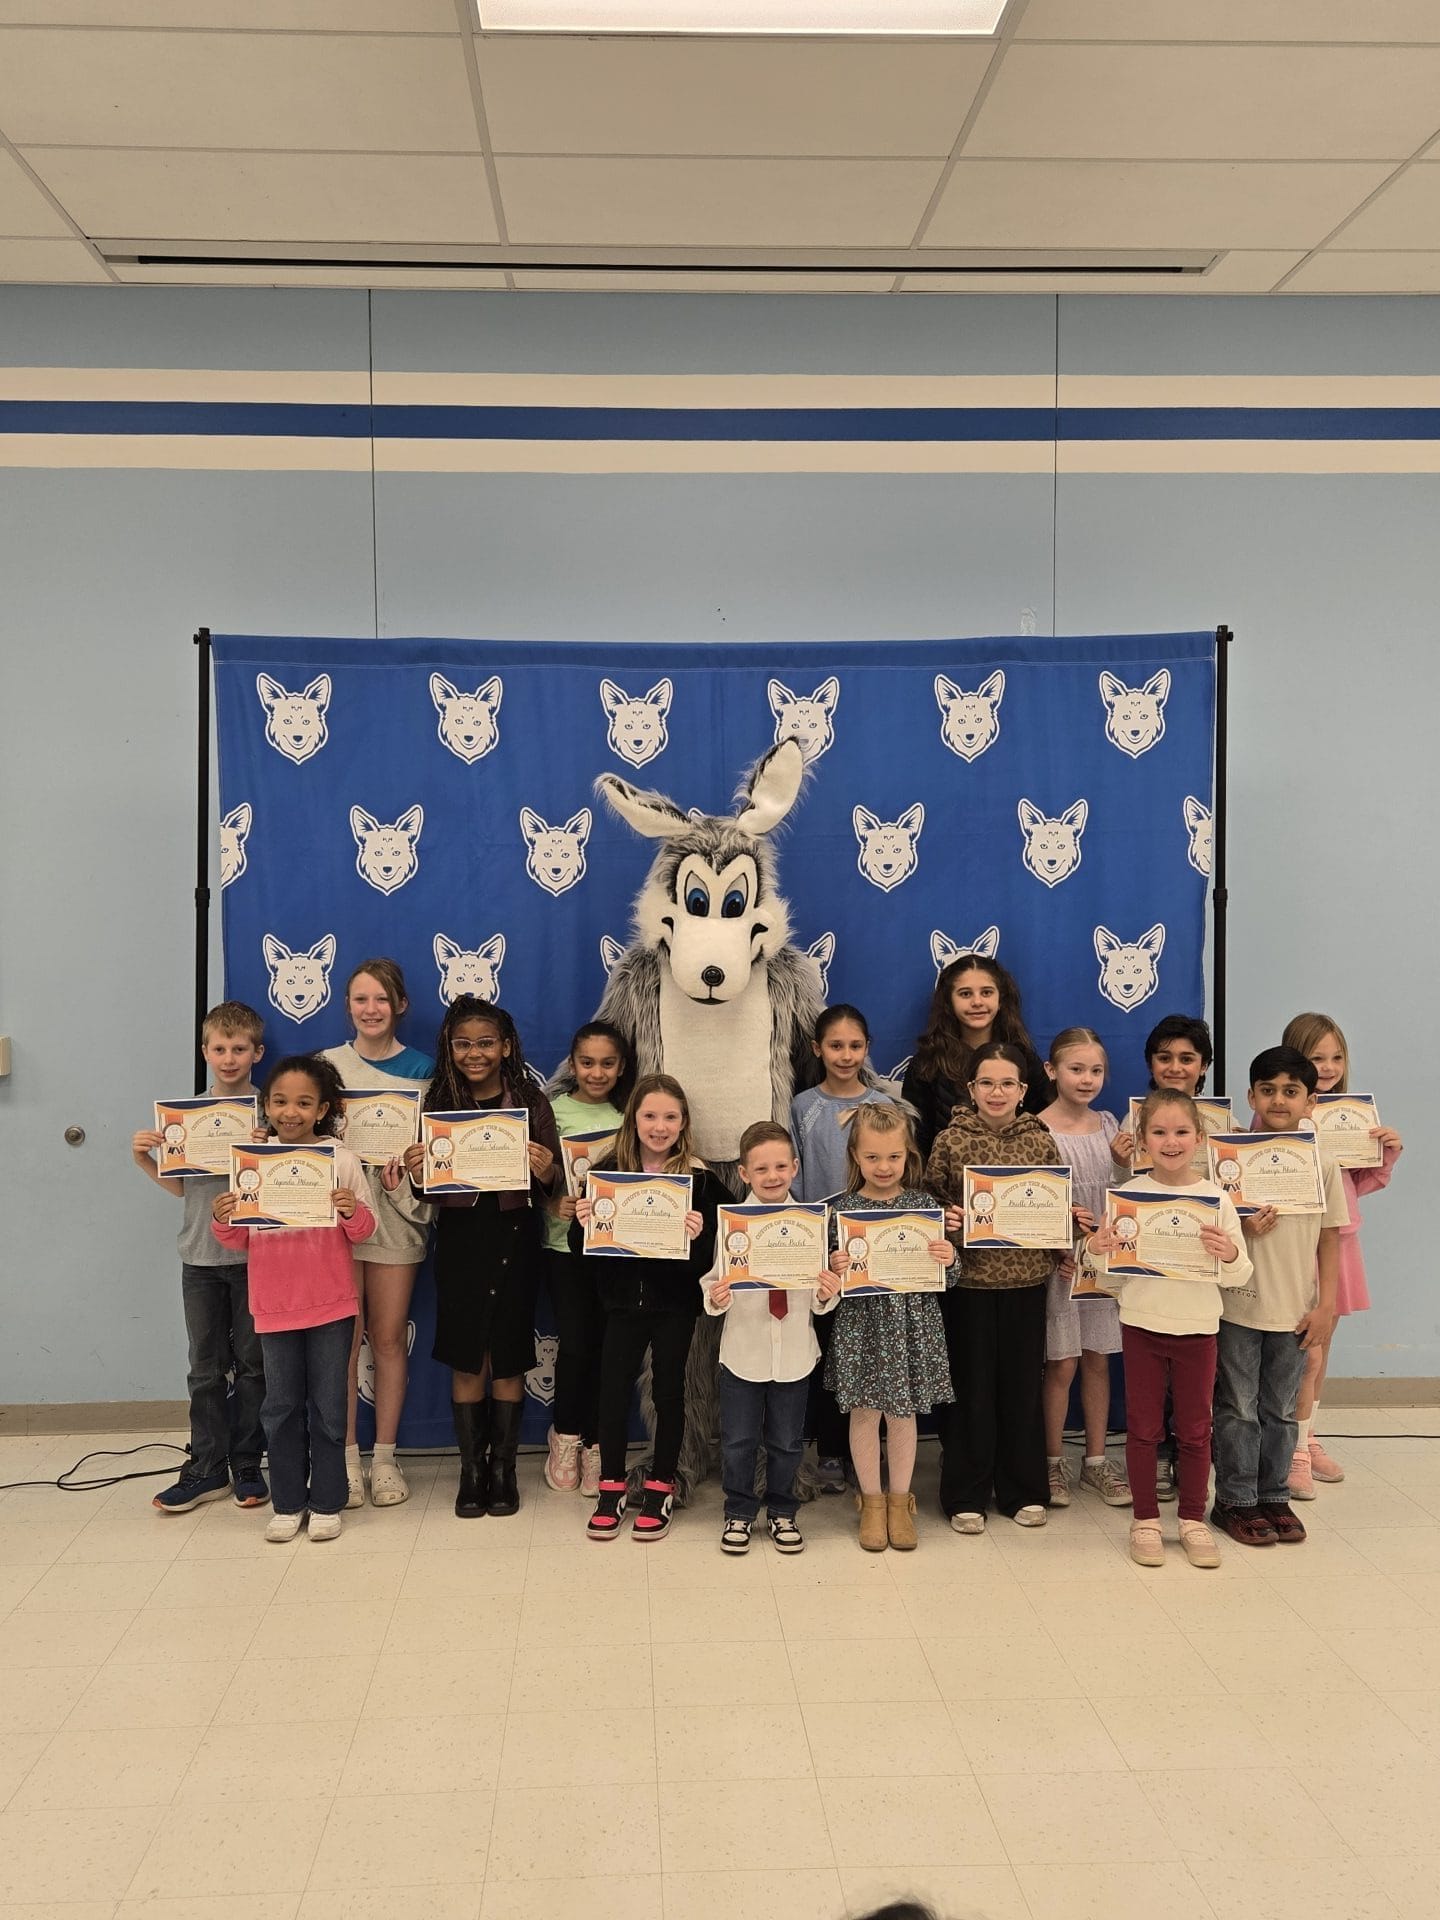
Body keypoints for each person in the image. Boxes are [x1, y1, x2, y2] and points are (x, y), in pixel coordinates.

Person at [396, 997, 558, 1519]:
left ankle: (503, 1471)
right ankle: (472, 1471)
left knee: (507, 1354)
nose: (475, 1053)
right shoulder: (438, 1101)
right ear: (450, 1046)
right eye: (463, 1043)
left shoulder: (531, 1101)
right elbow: (426, 1193)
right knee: (469, 1355)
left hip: (515, 1238)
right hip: (462, 1242)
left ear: (506, 1046)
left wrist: (546, 1167)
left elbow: (552, 1188)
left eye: (486, 1043)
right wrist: (418, 1169)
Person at [211, 1054, 375, 1543]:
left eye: (304, 1103)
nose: (291, 1112)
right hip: (273, 1306)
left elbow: (365, 1231)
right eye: (280, 1101)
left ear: (323, 1109)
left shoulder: (340, 1159)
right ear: (265, 1105)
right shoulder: (251, 1163)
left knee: (328, 1406)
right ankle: (287, 1501)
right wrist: (224, 1217)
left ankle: (327, 1500)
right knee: (278, 1407)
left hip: (331, 1305)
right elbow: (236, 1240)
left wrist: (350, 1212)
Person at [1089, 1090, 1252, 1569]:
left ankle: (1192, 1519)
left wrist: (1228, 1255)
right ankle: (1145, 1520)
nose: (1171, 1141)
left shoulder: (1217, 1199)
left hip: (1199, 1329)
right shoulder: (1128, 1196)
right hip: (1141, 1324)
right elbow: (1109, 1275)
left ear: (1200, 1138)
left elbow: (1241, 1274)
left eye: (1181, 1131)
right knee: (1143, 1429)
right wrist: (1099, 1248)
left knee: (1196, 1431)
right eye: (1158, 1132)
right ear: (1142, 1141)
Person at [571, 1074, 724, 1542]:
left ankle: (662, 1485)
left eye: (670, 1117)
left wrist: (701, 1236)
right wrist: (581, 1225)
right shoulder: (608, 1172)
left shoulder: (700, 1179)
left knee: (670, 1394)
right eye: (650, 1116)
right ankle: (611, 1487)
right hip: (620, 1304)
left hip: (675, 1305)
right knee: (612, 1392)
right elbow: (586, 1252)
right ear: (633, 1118)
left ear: (684, 1123)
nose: (659, 1127)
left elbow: (724, 1254)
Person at [131, 1000, 269, 1514]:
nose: (228, 1058)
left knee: (254, 1367)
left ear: (257, 1052)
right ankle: (207, 1466)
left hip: (257, 1259)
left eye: (239, 1049)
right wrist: (145, 1159)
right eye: (219, 1049)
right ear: (205, 1051)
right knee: (205, 1368)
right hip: (200, 1257)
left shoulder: (271, 1113)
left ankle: (249, 1463)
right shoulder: (184, 1121)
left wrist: (266, 1147)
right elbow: (180, 1192)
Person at [1210, 1046, 1347, 1549]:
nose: (1279, 1100)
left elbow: (1331, 1237)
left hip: (1295, 1311)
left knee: (1281, 1410)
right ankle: (1235, 1499)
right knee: (1237, 1407)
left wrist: (1326, 1305)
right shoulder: (1227, 1161)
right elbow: (1212, 1230)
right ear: (1251, 1096)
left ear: (1311, 1100)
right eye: (1267, 1090)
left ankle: (1273, 1494)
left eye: (1291, 1091)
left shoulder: (1323, 1162)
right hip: (1237, 1306)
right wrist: (1241, 1226)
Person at [925, 1042, 1060, 1534]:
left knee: (1022, 1390)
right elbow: (929, 1204)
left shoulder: (1041, 1141)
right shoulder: (950, 1141)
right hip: (969, 1286)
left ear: (1023, 1090)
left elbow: (1050, 1201)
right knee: (971, 1391)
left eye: (1007, 1083)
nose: (997, 1092)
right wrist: (945, 1217)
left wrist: (1067, 1224)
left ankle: (1023, 1488)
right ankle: (966, 1492)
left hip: (1027, 1283)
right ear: (971, 1089)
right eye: (987, 1083)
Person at [320, 958, 434, 1510]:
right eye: (361, 999)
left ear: (401, 1006)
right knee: (343, 1345)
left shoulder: (423, 1072)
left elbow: (433, 1156)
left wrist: (411, 1167)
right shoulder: (325, 1067)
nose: (371, 1009)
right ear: (348, 1005)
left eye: (382, 1000)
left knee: (387, 1338)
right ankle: (343, 1460)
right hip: (337, 1218)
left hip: (395, 1212)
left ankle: (384, 1459)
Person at [703, 1120, 841, 1555]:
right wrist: (717, 1294)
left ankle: (783, 1510)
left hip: (796, 1354)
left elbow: (819, 1298)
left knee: (786, 1442)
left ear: (796, 1167)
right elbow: (712, 1280)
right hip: (743, 1352)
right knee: (739, 1441)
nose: (772, 1176)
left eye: (781, 1166)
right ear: (744, 1173)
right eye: (761, 1169)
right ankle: (739, 1512)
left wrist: (826, 1294)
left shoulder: (811, 1224)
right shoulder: (733, 1226)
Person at [1282, 1011, 1403, 1495]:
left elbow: (1354, 1186)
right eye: (1316, 1057)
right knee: (1301, 1353)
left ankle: (1308, 1438)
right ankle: (1291, 1451)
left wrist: (1384, 1152)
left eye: (1336, 1057)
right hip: (1299, 1245)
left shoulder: (1351, 1117)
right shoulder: (1282, 1107)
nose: (1328, 1067)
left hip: (1342, 1241)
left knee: (1323, 1347)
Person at [824, 1101, 955, 1552]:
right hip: (861, 1328)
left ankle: (900, 1502)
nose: (884, 1166)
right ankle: (872, 1502)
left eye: (893, 1157)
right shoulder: (841, 1210)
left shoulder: (923, 1207)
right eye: (873, 1157)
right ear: (855, 1157)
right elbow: (822, 1282)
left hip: (910, 1325)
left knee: (903, 1415)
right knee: (864, 1412)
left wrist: (949, 1259)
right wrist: (834, 1266)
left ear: (908, 1156)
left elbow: (948, 1279)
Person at [1109, 1012, 1215, 1503]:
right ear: (1150, 1063)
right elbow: (1123, 1204)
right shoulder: (1131, 1126)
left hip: (1201, 1285)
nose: (1175, 1067)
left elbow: (1234, 1198)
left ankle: (1189, 1469)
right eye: (1164, 1057)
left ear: (1204, 1067)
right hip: (1149, 1291)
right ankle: (1152, 1473)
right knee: (1148, 1396)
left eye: (1187, 1059)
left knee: (1198, 1399)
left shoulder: (1226, 1126)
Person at [790, 1002, 891, 1495]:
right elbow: (797, 1177)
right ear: (817, 1049)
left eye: (855, 1046)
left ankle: (871, 1448)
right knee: (831, 1349)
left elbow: (899, 1175)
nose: (845, 1055)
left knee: (870, 1349)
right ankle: (830, 1447)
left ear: (867, 1049)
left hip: (874, 1251)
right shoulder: (802, 1107)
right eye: (835, 1046)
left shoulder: (885, 1107)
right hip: (824, 1251)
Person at [1036, 1027, 1130, 1512]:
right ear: (1052, 1071)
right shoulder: (1036, 1129)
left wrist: (1119, 1165)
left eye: (1096, 1070)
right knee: (1062, 1362)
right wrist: (1059, 1247)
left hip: (1104, 1263)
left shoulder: (1112, 1126)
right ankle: (1051, 1461)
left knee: (1097, 1357)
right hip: (1062, 1265)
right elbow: (1030, 1205)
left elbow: (1126, 1193)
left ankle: (1096, 1460)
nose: (1087, 1078)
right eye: (1076, 1069)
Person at [542, 1021, 633, 1498]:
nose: (596, 1072)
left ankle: (599, 1444)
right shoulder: (552, 1111)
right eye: (587, 1062)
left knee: (608, 1350)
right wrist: (551, 1200)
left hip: (615, 1253)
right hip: (564, 1247)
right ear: (572, 1063)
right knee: (576, 1346)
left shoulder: (631, 1116)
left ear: (621, 1068)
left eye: (607, 1063)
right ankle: (566, 1436)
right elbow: (532, 1176)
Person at [901, 953, 1045, 1159]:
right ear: (949, 1002)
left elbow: (1044, 1124)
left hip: (1015, 1182)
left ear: (1001, 999)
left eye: (986, 992)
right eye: (965, 994)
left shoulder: (1024, 1059)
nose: (977, 1002)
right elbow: (916, 1139)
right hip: (946, 1183)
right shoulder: (927, 1063)